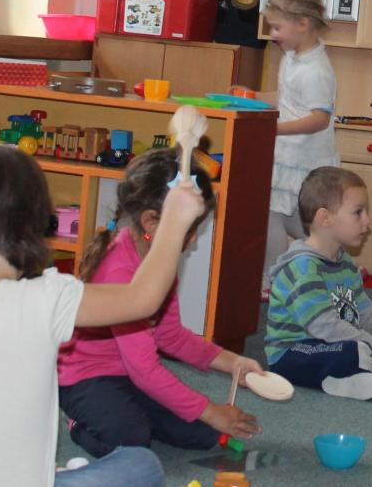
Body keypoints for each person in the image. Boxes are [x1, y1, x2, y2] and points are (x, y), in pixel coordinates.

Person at [0, 137, 206, 487]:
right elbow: (143, 299)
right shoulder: (43, 300)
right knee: (141, 464)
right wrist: (174, 222)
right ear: (30, 223)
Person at [58, 147, 262, 458]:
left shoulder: (157, 259)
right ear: (152, 223)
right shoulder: (120, 271)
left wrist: (232, 362)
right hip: (86, 378)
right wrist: (210, 410)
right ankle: (77, 423)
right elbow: (145, 370)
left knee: (203, 434)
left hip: (129, 374)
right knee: (132, 441)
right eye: (189, 230)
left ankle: (131, 413)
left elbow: (170, 336)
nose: (192, 240)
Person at [265, 167, 372, 400]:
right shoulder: (302, 268)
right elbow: (326, 327)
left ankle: (348, 380)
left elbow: (364, 315)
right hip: (292, 355)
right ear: (325, 218)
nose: (367, 220)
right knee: (355, 351)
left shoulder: (345, 264)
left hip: (332, 347)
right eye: (358, 212)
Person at [256, 0, 339, 295]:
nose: (273, 34)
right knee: (291, 220)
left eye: (277, 27)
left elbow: (319, 118)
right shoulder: (292, 58)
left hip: (302, 159)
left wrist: (275, 128)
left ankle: (275, 280)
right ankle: (332, 265)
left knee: (272, 217)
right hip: (288, 155)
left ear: (303, 23)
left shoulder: (316, 70)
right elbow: (288, 99)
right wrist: (254, 97)